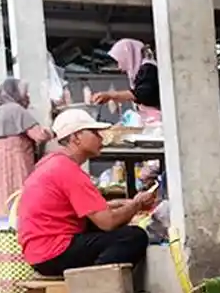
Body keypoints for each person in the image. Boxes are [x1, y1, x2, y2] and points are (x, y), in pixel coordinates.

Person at [16, 108, 157, 278]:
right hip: (54, 251)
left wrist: (118, 205)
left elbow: (81, 210)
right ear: (76, 137)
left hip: (38, 252)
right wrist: (136, 205)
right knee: (133, 237)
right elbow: (108, 222)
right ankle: (96, 284)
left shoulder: (52, 164)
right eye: (94, 133)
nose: (101, 138)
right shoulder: (68, 170)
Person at [0, 78, 52, 218]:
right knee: (19, 192)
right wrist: (51, 132)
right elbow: (39, 136)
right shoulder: (16, 109)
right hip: (16, 160)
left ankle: (3, 221)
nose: (28, 97)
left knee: (2, 194)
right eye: (25, 94)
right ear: (16, 93)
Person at [91, 39, 161, 116]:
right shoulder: (139, 70)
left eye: (120, 61)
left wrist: (110, 95)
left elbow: (142, 94)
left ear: (128, 56)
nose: (119, 67)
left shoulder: (148, 68)